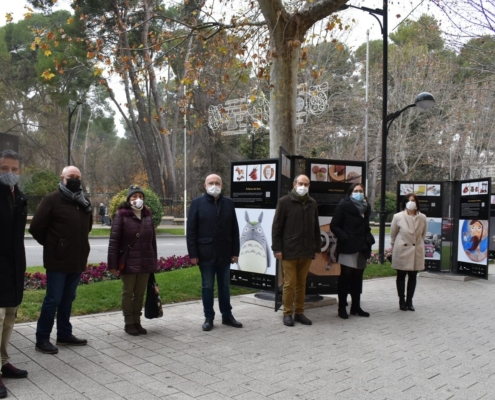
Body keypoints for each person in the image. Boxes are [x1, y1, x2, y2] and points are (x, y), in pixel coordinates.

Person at [29, 166, 92, 354]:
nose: (74, 179)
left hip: (77, 259)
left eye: (77, 177)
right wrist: (54, 245)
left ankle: (64, 333)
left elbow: (86, 228)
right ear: (62, 178)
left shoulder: (84, 202)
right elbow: (36, 227)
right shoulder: (52, 199)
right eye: (71, 176)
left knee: (68, 299)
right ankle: (42, 339)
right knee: (53, 300)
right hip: (57, 261)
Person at [186, 174, 242, 331]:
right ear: (205, 185)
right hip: (205, 253)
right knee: (207, 287)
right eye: (211, 183)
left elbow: (234, 229)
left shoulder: (229, 203)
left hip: (224, 252)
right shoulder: (197, 203)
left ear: (222, 185)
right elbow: (191, 231)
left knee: (225, 286)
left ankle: (227, 316)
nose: (214, 185)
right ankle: (208, 317)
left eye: (217, 182)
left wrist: (235, 252)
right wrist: (193, 254)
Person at [107, 185, 157, 335]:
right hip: (128, 261)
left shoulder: (148, 216)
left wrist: (154, 261)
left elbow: (152, 241)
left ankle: (137, 321)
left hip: (145, 262)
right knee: (128, 293)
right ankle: (129, 322)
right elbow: (114, 241)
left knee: (140, 293)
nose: (138, 199)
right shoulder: (121, 216)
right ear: (129, 199)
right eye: (134, 197)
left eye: (140, 197)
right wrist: (113, 264)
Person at [272, 174, 320, 327]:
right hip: (289, 250)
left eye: (306, 184)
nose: (303, 187)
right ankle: (287, 313)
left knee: (302, 283)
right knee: (290, 283)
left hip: (306, 250)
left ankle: (299, 312)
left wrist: (316, 247)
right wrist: (277, 248)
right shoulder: (284, 202)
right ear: (294, 184)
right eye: (300, 183)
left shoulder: (312, 203)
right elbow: (277, 227)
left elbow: (316, 227)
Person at [0, 150, 28, 398]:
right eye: (4, 168)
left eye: (14, 169)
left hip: (13, 269)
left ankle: (3, 361)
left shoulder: (19, 197)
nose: (9, 173)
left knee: (9, 318)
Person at [330, 183, 375, 319]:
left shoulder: (366, 207)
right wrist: (345, 237)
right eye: (356, 191)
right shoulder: (343, 206)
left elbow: (365, 227)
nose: (359, 193)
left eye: (361, 191)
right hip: (348, 247)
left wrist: (368, 238)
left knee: (357, 278)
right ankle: (342, 307)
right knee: (345, 277)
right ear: (350, 193)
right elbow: (334, 225)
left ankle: (356, 306)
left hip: (362, 247)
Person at [390, 194, 427, 311]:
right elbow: (393, 234)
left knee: (413, 276)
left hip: (416, 250)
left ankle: (409, 301)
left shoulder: (423, 217)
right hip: (402, 249)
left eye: (413, 200)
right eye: (408, 200)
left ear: (417, 202)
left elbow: (423, 234)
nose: (411, 202)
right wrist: (394, 247)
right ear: (404, 203)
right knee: (401, 276)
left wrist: (419, 245)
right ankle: (402, 300)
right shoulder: (398, 216)